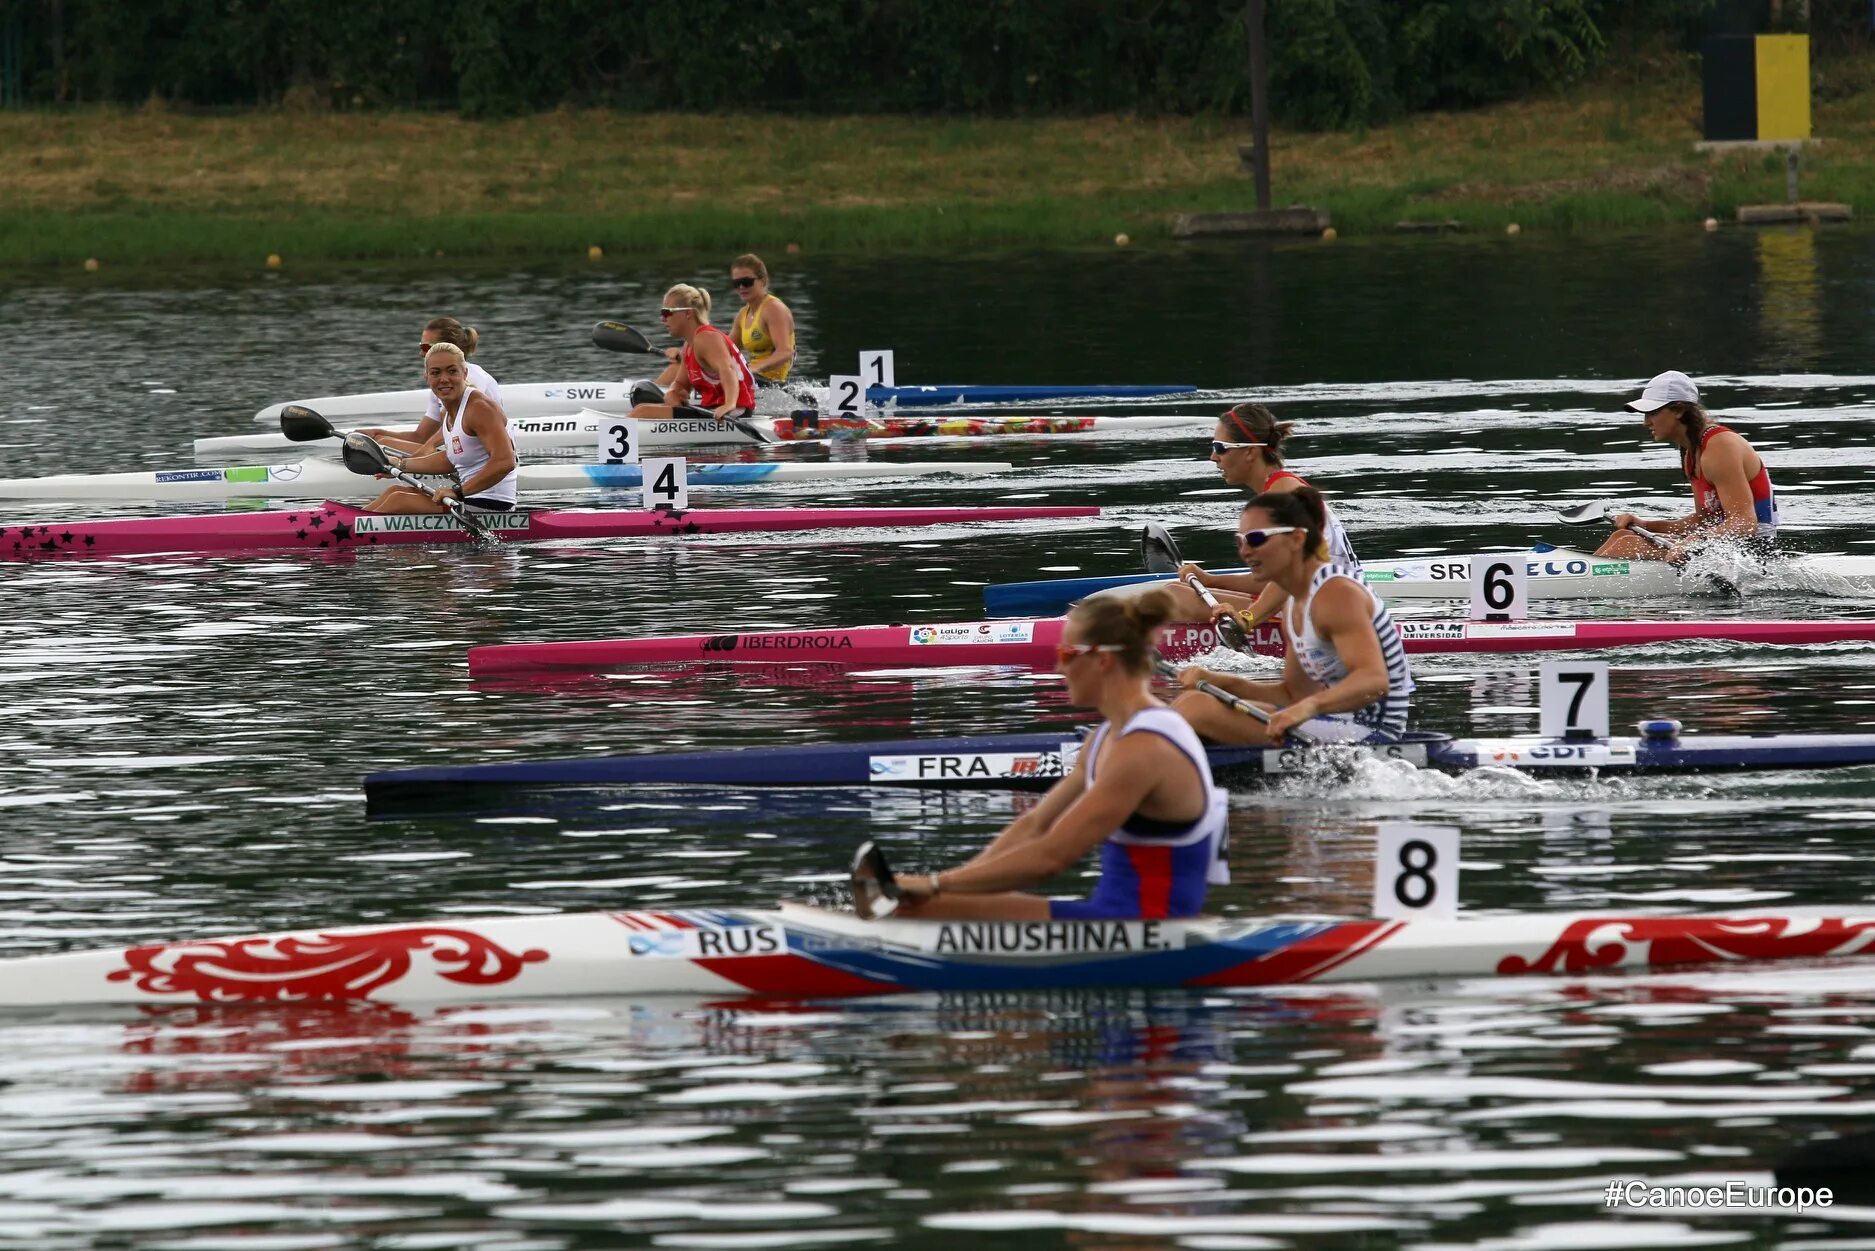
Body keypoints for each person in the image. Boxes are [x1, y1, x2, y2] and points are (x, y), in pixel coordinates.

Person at [889, 590, 1228, 922]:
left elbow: (1052, 857)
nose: (1057, 667)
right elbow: (1033, 824)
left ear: (1103, 660)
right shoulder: (1103, 738)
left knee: (915, 912)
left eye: (1066, 654)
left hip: (1150, 931)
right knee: (926, 905)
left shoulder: (1144, 749)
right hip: (1113, 921)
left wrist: (934, 886)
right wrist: (954, 886)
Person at [1171, 488, 1412, 745]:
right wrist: (1221, 682)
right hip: (1331, 722)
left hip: (1371, 731)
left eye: (1255, 539)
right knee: (1187, 702)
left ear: (1297, 539)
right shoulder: (1294, 604)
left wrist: (1307, 708)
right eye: (1239, 541)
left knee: (1196, 709)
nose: (1245, 552)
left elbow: (1374, 681)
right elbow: (1293, 693)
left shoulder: (1335, 594)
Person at [1171, 403, 1361, 633]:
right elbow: (1273, 579)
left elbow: (1292, 573)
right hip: (1329, 598)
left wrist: (1247, 619)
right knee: (1173, 592)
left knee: (1171, 596)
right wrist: (1211, 580)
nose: (1213, 457)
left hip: (1329, 611)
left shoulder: (1283, 497)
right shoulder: (1281, 487)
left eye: (1220, 447)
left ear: (1250, 451)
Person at [1596, 370, 1778, 562]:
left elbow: (1744, 523)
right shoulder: (1691, 452)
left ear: (1679, 410)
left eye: (1652, 412)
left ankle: (1573, 581)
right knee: (1622, 537)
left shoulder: (1720, 446)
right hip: (1723, 546)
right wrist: (1647, 525)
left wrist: (1693, 541)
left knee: (1628, 545)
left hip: (1753, 553)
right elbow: (1704, 521)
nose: (1646, 422)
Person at [363, 342, 518, 515]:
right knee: (393, 492)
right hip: (469, 497)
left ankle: (346, 530)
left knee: (398, 500)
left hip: (492, 503)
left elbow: (505, 461)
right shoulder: (448, 413)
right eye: (436, 373)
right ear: (427, 377)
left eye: (452, 371)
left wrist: (457, 492)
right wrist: (400, 465)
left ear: (464, 373)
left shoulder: (479, 408)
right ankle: (349, 522)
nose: (444, 379)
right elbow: (451, 458)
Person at [358, 317, 503, 455]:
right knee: (380, 440)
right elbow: (421, 437)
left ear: (447, 347)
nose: (421, 353)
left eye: (426, 347)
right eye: (421, 346)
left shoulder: (468, 379)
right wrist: (375, 432)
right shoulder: (442, 384)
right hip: (461, 451)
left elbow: (443, 437)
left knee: (383, 443)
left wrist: (410, 459)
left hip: (478, 456)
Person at [628, 284, 758, 428]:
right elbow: (681, 383)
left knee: (642, 412)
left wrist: (729, 404)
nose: (662, 319)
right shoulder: (689, 345)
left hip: (734, 413)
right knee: (643, 408)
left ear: (688, 313)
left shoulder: (706, 338)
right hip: (714, 411)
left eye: (666, 313)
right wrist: (673, 393)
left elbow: (727, 370)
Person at [727, 254, 796, 383]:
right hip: (755, 380)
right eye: (736, 283)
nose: (741, 287)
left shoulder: (774, 309)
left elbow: (785, 352)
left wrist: (751, 369)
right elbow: (725, 351)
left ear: (763, 281)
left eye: (747, 282)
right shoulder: (742, 314)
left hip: (774, 384)